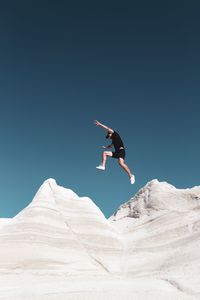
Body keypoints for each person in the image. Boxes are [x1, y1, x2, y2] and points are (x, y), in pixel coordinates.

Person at [94, 120, 135, 184]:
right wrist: (106, 147)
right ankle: (103, 166)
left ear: (110, 133)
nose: (109, 137)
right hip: (116, 152)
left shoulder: (114, 133)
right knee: (104, 152)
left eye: (109, 136)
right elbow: (111, 146)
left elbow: (107, 128)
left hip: (121, 151)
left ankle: (131, 175)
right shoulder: (113, 140)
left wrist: (100, 124)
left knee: (121, 163)